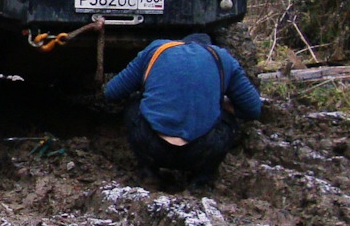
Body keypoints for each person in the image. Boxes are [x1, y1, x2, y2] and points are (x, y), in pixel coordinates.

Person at [103, 32, 262, 189]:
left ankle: (148, 172)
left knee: (134, 103)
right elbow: (253, 109)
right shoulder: (223, 59)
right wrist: (221, 103)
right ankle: (201, 181)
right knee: (228, 118)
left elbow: (111, 92)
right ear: (209, 46)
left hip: (151, 145)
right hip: (201, 151)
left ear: (181, 42)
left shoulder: (156, 50)